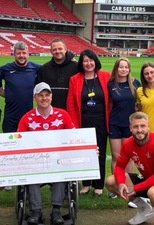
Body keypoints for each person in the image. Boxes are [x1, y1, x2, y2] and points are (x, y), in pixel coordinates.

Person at [105, 112, 154, 225]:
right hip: (147, 179)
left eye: (142, 126)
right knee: (111, 181)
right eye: (135, 126)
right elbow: (120, 167)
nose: (139, 130)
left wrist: (135, 188)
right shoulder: (128, 144)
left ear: (148, 126)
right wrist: (121, 183)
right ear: (130, 128)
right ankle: (143, 209)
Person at [17, 82, 75, 225]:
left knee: (61, 173)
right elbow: (18, 142)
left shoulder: (62, 115)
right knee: (31, 174)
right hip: (36, 161)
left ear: (51, 96)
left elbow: (75, 137)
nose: (44, 98)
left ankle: (56, 211)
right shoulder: (27, 118)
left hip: (56, 160)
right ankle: (36, 212)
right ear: (35, 97)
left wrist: (89, 148)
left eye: (47, 95)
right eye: (40, 95)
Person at [66, 49, 110, 197]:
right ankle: (85, 184)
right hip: (82, 120)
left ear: (95, 61)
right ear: (81, 63)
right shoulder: (75, 79)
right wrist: (74, 126)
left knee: (100, 154)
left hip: (101, 121)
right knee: (83, 153)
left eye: (90, 60)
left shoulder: (105, 76)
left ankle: (98, 185)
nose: (88, 63)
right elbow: (71, 104)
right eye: (85, 61)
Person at [107, 57, 141, 199]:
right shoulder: (110, 84)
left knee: (129, 158)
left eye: (126, 67)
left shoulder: (135, 83)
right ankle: (115, 185)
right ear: (116, 68)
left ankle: (129, 186)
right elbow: (109, 104)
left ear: (129, 69)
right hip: (115, 123)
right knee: (116, 156)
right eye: (121, 67)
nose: (124, 69)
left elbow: (140, 104)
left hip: (130, 126)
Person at [0, 41, 41, 132]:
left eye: (24, 53)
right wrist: (7, 93)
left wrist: (69, 59)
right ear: (14, 55)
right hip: (10, 116)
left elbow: (52, 68)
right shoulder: (5, 69)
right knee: (10, 143)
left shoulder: (35, 68)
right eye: (18, 53)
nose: (21, 56)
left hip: (28, 115)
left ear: (28, 54)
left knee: (27, 143)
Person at [36, 38, 78, 110]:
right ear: (51, 52)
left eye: (60, 49)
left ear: (65, 49)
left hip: (71, 111)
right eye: (54, 49)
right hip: (50, 112)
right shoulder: (44, 69)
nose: (57, 51)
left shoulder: (76, 67)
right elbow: (38, 92)